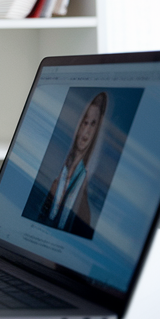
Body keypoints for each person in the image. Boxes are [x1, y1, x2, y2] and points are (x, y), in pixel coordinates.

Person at [36, 91, 107, 235]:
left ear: (97, 131)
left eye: (93, 124)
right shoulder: (57, 178)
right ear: (78, 125)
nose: (86, 131)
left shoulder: (84, 192)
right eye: (85, 123)